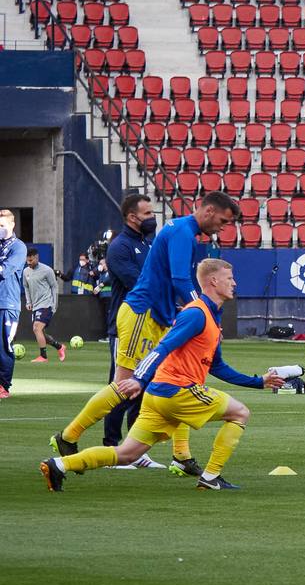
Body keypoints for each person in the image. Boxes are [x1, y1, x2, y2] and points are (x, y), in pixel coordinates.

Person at [41, 259, 284, 492]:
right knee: (240, 413)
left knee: (127, 455)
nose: (234, 283)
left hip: (159, 396)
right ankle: (210, 477)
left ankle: (59, 464)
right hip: (177, 390)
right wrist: (139, 379)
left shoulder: (210, 316)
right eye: (229, 278)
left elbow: (217, 366)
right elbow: (163, 347)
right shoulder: (196, 314)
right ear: (213, 281)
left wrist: (258, 382)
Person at [51, 191, 238, 477]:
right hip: (142, 313)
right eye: (223, 221)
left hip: (159, 314)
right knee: (123, 385)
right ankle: (68, 436)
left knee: (180, 379)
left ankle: (181, 455)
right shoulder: (183, 233)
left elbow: (173, 280)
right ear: (209, 210)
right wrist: (205, 314)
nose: (223, 228)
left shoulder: (181, 230)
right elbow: (178, 279)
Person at [99, 193, 160, 460]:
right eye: (148, 214)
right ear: (132, 218)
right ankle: (112, 446)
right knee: (121, 387)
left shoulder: (147, 244)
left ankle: (135, 451)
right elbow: (140, 285)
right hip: (125, 327)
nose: (153, 218)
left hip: (149, 327)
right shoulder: (120, 247)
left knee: (143, 388)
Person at [23, 249, 65, 362]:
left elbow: (54, 286)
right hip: (35, 305)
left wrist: (54, 304)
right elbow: (26, 287)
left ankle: (43, 356)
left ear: (37, 258)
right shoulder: (26, 271)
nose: (29, 263)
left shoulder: (47, 270)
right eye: (27, 261)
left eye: (31, 260)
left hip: (46, 304)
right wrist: (28, 302)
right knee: (40, 332)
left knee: (37, 328)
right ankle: (59, 347)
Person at [0, 209, 25, 399]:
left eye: (2, 226)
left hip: (8, 303)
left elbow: (5, 270)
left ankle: (3, 385)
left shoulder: (18, 247)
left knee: (4, 345)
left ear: (12, 225)